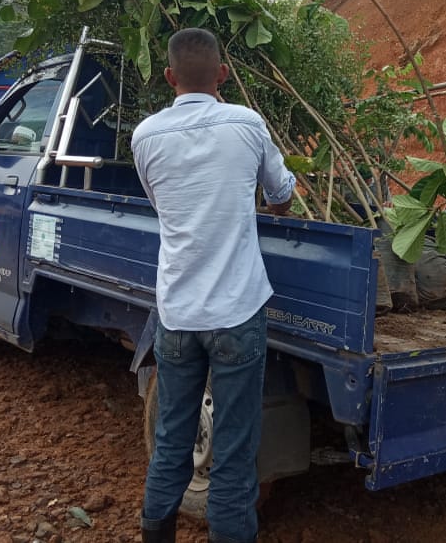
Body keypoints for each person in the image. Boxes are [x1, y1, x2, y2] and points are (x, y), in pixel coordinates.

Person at [132, 28, 296, 543]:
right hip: (237, 313)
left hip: (177, 314)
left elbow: (162, 206)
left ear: (168, 77)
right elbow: (281, 195)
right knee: (233, 453)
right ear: (222, 75)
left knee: (171, 442)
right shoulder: (247, 124)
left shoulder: (146, 136)